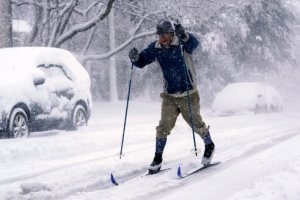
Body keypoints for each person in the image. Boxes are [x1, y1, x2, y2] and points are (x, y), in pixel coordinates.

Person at [128, 19, 215, 173]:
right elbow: (142, 61)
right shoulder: (155, 48)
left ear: (172, 33)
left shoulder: (182, 43)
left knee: (196, 123)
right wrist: (135, 59)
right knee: (163, 126)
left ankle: (209, 145)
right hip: (169, 95)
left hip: (189, 93)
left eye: (165, 34)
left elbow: (194, 44)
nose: (162, 38)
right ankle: (157, 158)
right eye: (159, 35)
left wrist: (185, 35)